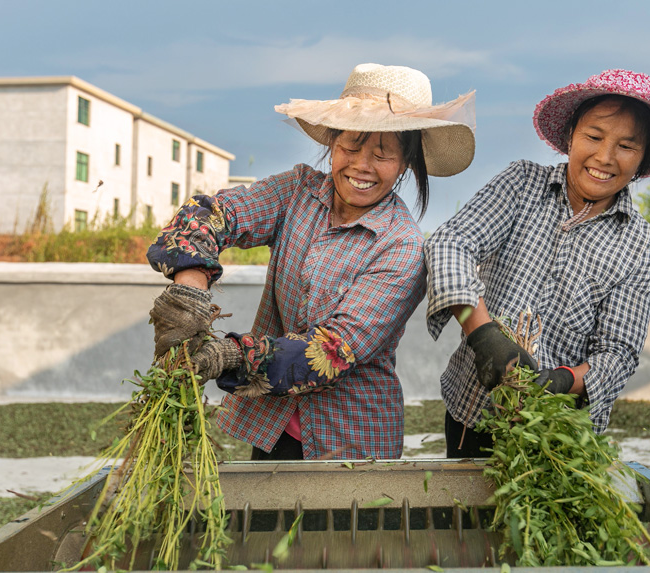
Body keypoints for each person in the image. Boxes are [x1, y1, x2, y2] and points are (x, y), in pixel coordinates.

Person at [147, 63, 476, 460]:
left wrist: (228, 355)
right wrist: (190, 289)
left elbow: (332, 350)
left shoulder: (402, 246)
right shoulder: (298, 192)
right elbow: (214, 214)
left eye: (382, 154)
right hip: (271, 425)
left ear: (406, 162)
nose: (362, 165)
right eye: (351, 146)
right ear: (333, 142)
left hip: (351, 439)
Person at [424, 69, 650, 457]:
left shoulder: (643, 246)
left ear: (643, 159)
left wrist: (560, 380)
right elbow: (450, 243)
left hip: (556, 436)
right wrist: (484, 335)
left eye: (627, 146)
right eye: (594, 137)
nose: (604, 157)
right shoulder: (522, 184)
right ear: (571, 136)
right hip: (473, 412)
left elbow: (617, 354)